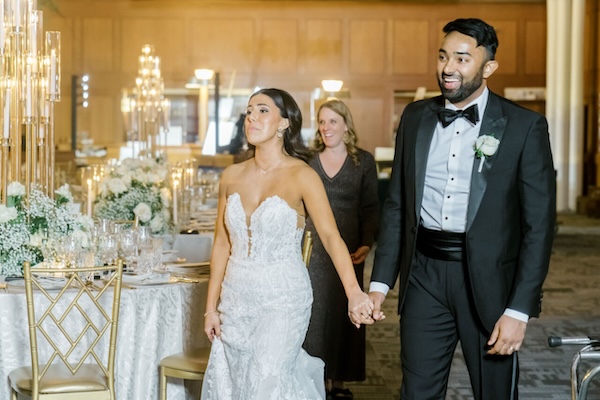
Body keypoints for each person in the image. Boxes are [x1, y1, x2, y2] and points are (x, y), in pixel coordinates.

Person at [369, 18, 556, 400]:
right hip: (424, 276)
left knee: (494, 393)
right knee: (416, 392)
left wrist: (519, 310)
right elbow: (397, 207)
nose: (448, 67)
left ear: (488, 68)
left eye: (462, 58)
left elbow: (539, 228)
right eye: (442, 56)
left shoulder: (524, 127)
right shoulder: (415, 117)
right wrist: (379, 284)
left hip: (490, 286)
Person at [201, 88, 376, 400]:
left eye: (263, 110)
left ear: (284, 124)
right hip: (236, 301)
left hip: (282, 301)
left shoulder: (303, 176)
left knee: (266, 383)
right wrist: (210, 308)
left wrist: (353, 293)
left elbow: (331, 236)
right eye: (249, 110)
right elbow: (221, 244)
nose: (251, 116)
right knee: (234, 385)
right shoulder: (231, 176)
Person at [303, 99, 379, 399]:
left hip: (348, 248)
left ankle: (339, 381)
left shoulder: (363, 161)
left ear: (346, 125)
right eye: (322, 122)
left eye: (332, 121)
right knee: (316, 314)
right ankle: (316, 378)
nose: (326, 127)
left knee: (344, 311)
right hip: (314, 249)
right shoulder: (308, 161)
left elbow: (371, 207)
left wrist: (366, 242)